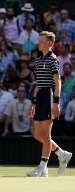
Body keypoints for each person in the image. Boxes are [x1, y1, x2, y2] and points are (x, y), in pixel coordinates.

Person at [27, 31, 72, 177]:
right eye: (38, 40)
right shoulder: (39, 61)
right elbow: (38, 83)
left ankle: (42, 167)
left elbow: (58, 81)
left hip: (50, 96)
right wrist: (33, 102)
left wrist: (56, 102)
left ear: (49, 43)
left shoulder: (53, 60)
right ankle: (62, 153)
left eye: (41, 41)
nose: (38, 43)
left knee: (46, 135)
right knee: (37, 134)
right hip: (40, 97)